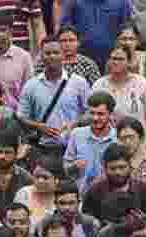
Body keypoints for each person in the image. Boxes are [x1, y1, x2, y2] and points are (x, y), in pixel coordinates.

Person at [18, 36, 92, 165]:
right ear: (41, 56)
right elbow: (21, 116)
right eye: (47, 53)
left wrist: (75, 123)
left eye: (56, 53)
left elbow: (90, 112)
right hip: (43, 150)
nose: (52, 56)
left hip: (74, 148)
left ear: (63, 55)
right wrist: (39, 126)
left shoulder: (79, 82)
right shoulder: (31, 85)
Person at [91, 46, 146, 152]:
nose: (115, 62)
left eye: (120, 59)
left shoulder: (141, 83)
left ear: (129, 62)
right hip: (108, 147)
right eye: (113, 59)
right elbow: (92, 117)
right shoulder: (99, 85)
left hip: (138, 146)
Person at [83, 142, 146, 224]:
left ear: (130, 166)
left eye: (122, 167)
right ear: (105, 168)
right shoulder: (95, 191)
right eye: (112, 168)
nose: (117, 172)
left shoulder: (145, 190)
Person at [63, 91, 118, 195]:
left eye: (100, 114)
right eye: (92, 113)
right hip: (82, 197)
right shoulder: (77, 134)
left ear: (110, 114)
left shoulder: (118, 138)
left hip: (112, 197)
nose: (95, 118)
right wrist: (75, 166)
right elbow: (66, 170)